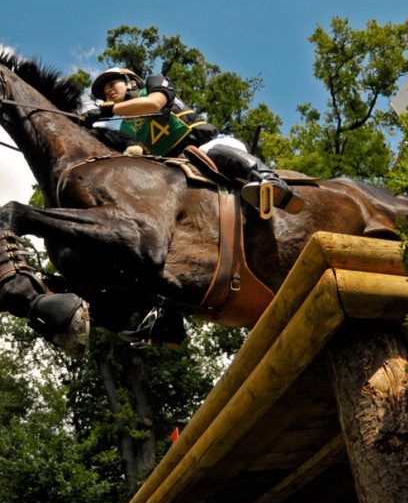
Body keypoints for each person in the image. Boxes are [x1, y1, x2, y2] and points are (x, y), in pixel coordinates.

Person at [78, 68, 303, 346]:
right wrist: (87, 128)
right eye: (103, 93)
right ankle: (168, 323)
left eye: (112, 85)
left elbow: (153, 105)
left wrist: (105, 111)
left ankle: (269, 180)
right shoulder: (127, 126)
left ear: (131, 81)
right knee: (168, 245)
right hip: (181, 175)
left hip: (208, 147)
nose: (108, 93)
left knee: (210, 152)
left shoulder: (153, 85)